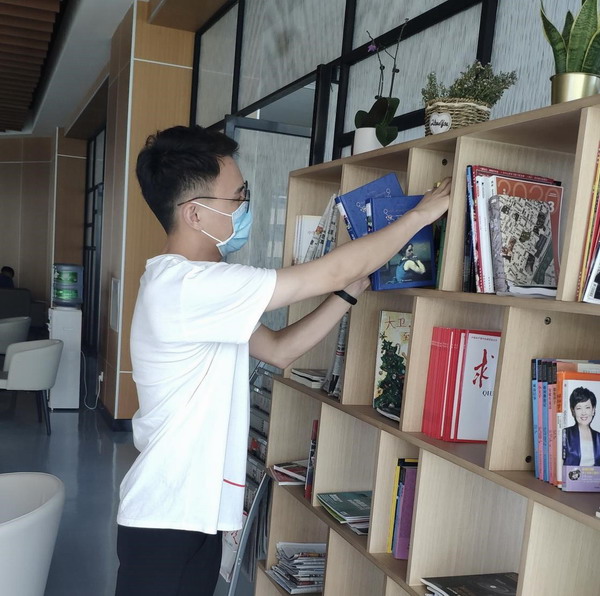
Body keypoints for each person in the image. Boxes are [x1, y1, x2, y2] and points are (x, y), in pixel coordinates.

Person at [115, 125, 450, 596]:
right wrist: (421, 215)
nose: (245, 206)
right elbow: (330, 270)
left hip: (193, 514)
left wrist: (346, 295)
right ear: (194, 213)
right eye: (238, 197)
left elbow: (278, 349)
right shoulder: (187, 286)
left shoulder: (203, 288)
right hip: (165, 517)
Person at [563, 386, 600, 467]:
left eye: (587, 407)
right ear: (573, 411)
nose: (583, 413)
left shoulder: (598, 437)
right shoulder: (565, 434)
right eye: (579, 408)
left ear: (593, 410)